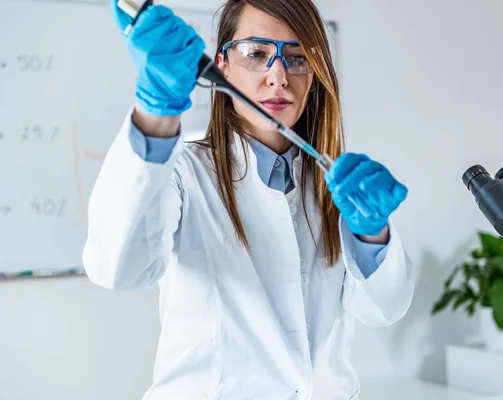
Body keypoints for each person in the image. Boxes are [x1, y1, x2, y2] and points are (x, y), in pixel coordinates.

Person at [83, 0, 415, 398]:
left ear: (315, 75)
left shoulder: (338, 184)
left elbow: (383, 308)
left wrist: (373, 235)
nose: (278, 76)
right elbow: (117, 268)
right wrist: (154, 110)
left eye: (297, 58)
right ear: (222, 66)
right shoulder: (184, 170)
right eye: (256, 54)